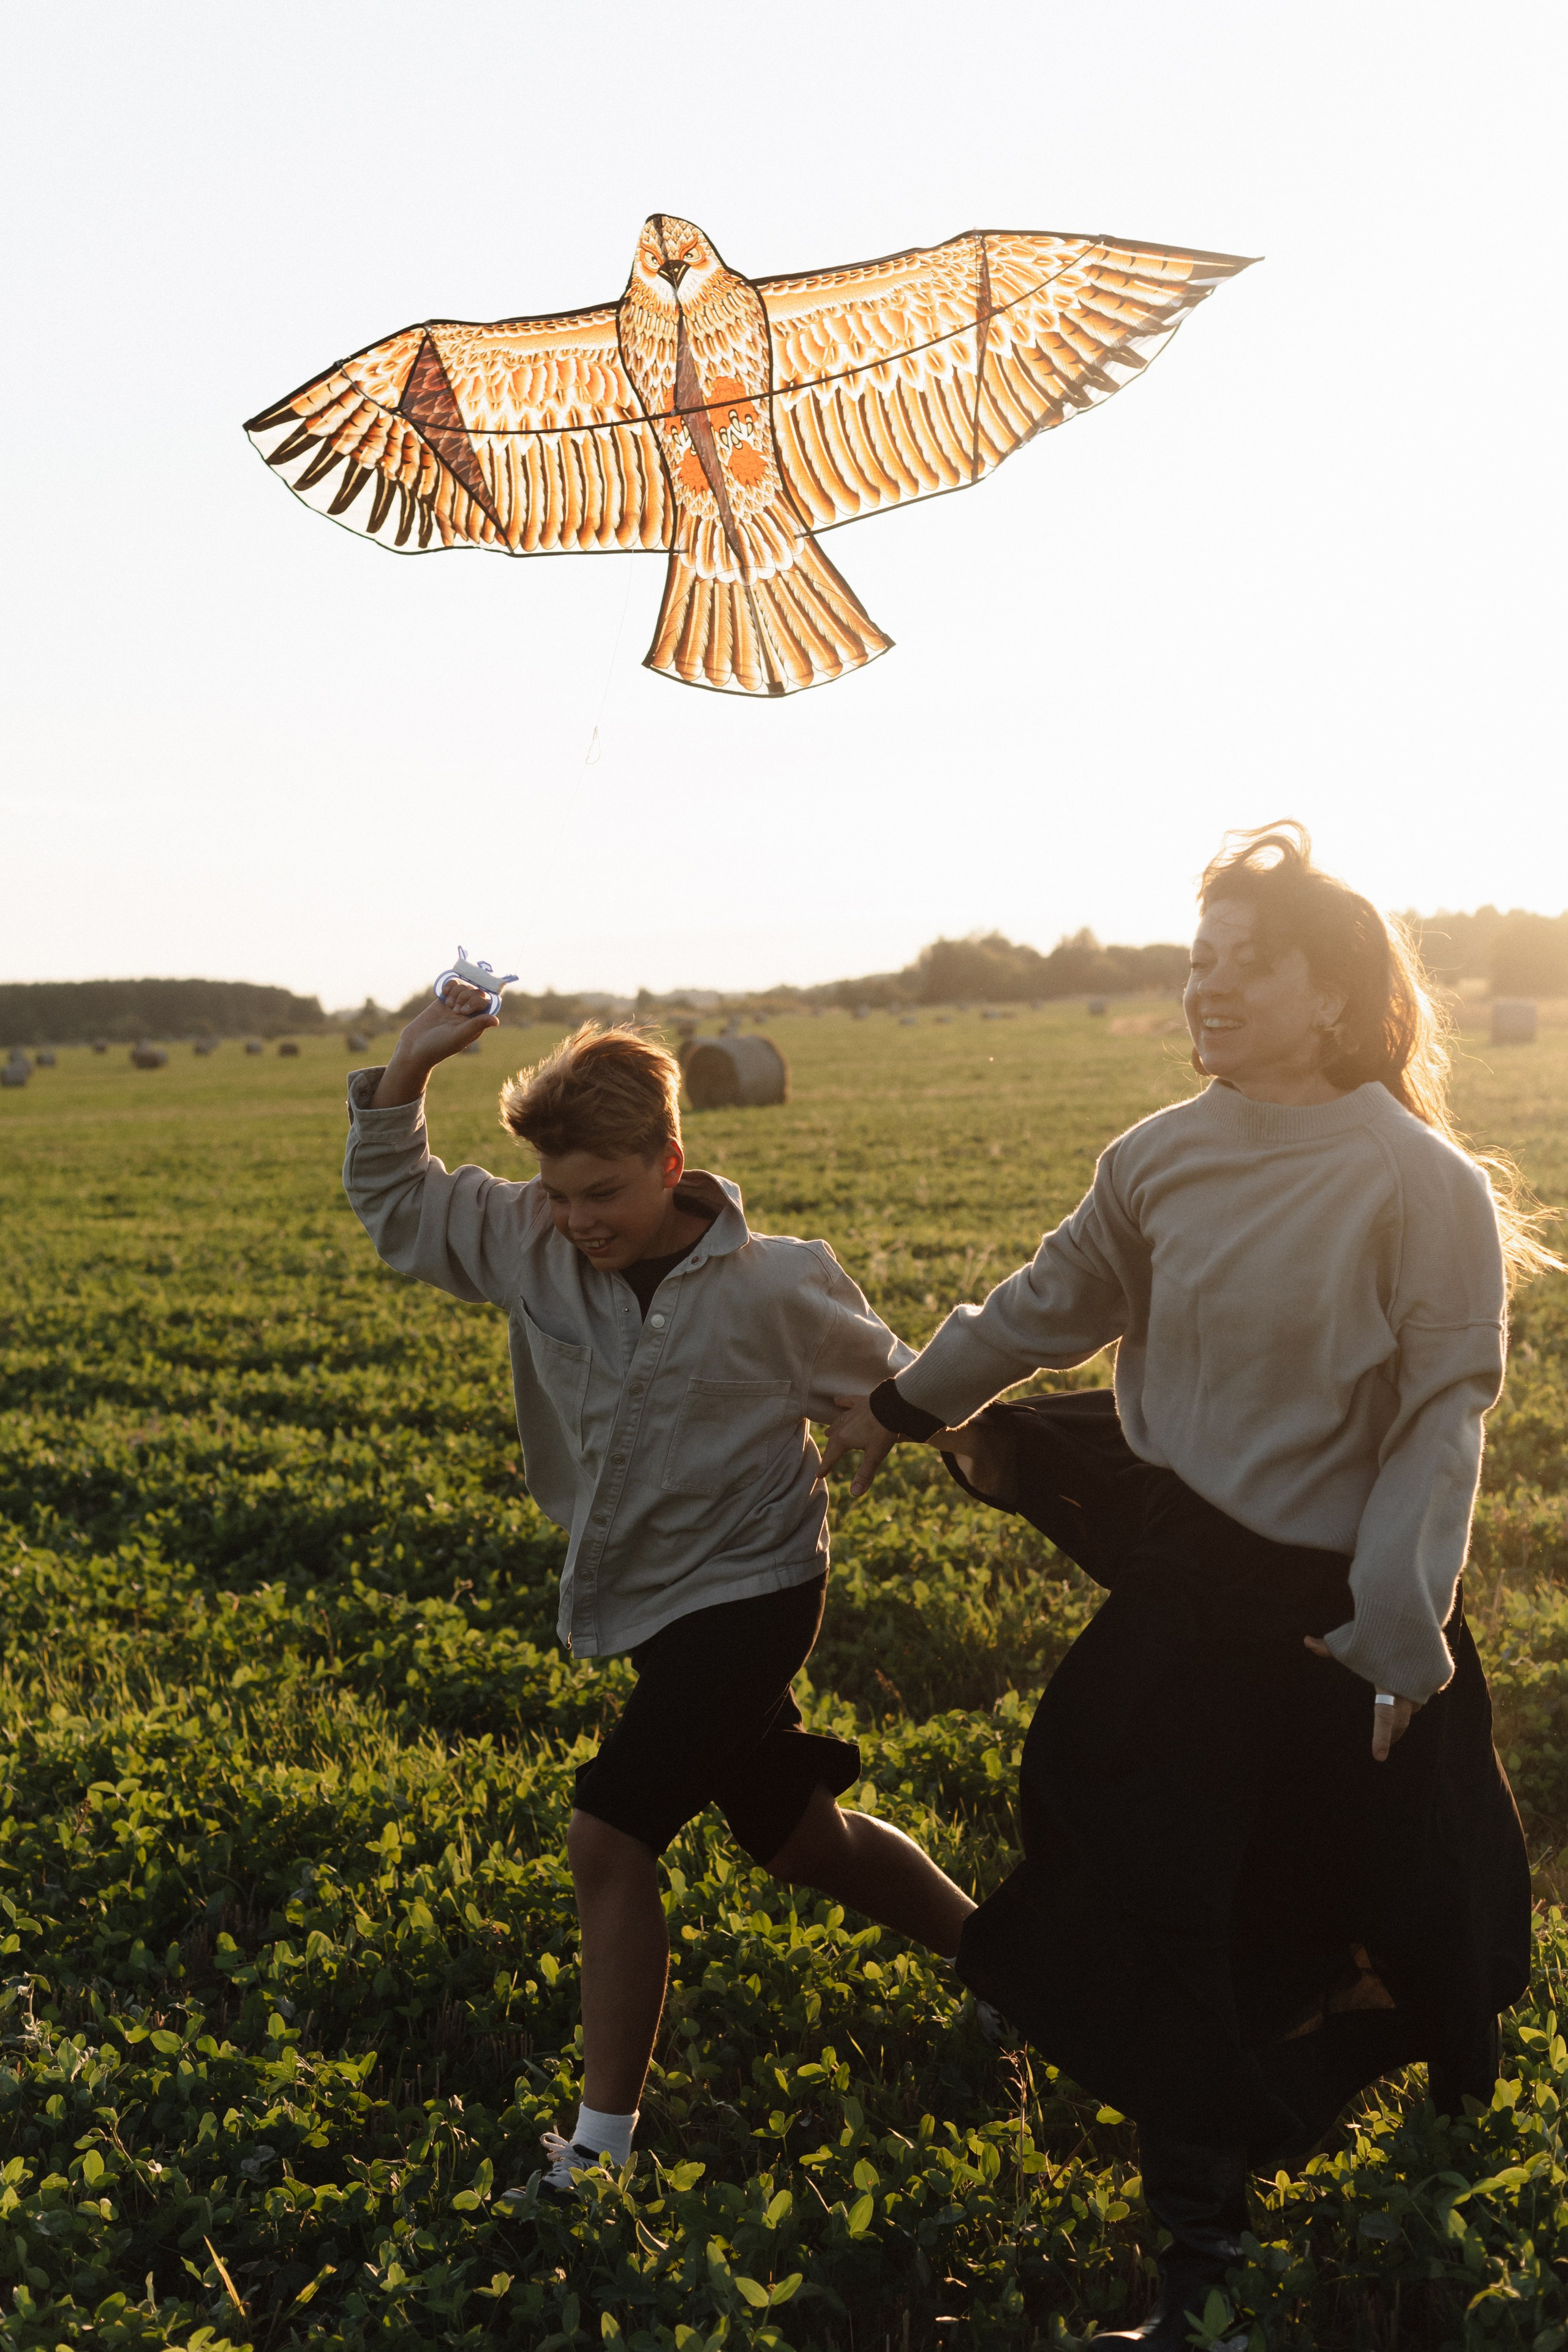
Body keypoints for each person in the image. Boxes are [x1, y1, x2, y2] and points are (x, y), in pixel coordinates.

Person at [822, 823, 1544, 2348]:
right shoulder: (1155, 1154)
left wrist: (1397, 1633)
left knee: (1383, 1899)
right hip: (1184, 1604)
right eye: (1195, 963)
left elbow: (1439, 1421)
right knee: (1157, 1891)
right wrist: (897, 1405)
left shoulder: (1418, 1185)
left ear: (1336, 996)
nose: (1205, 990)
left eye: (1245, 966)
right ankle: (1194, 2270)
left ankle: (1422, 2143)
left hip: (1341, 1609)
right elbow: (1043, 1305)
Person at [344, 993, 974, 2202]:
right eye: (561, 1195)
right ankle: (1005, 1966)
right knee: (797, 1839)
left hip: (756, 1588)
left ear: (669, 1165)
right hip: (648, 1598)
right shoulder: (530, 1237)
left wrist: (978, 1443)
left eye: (605, 1196)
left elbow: (904, 1387)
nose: (579, 1221)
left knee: (606, 1838)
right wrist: (411, 1069)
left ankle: (597, 2154)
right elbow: (400, 1207)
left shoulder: (775, 1286)